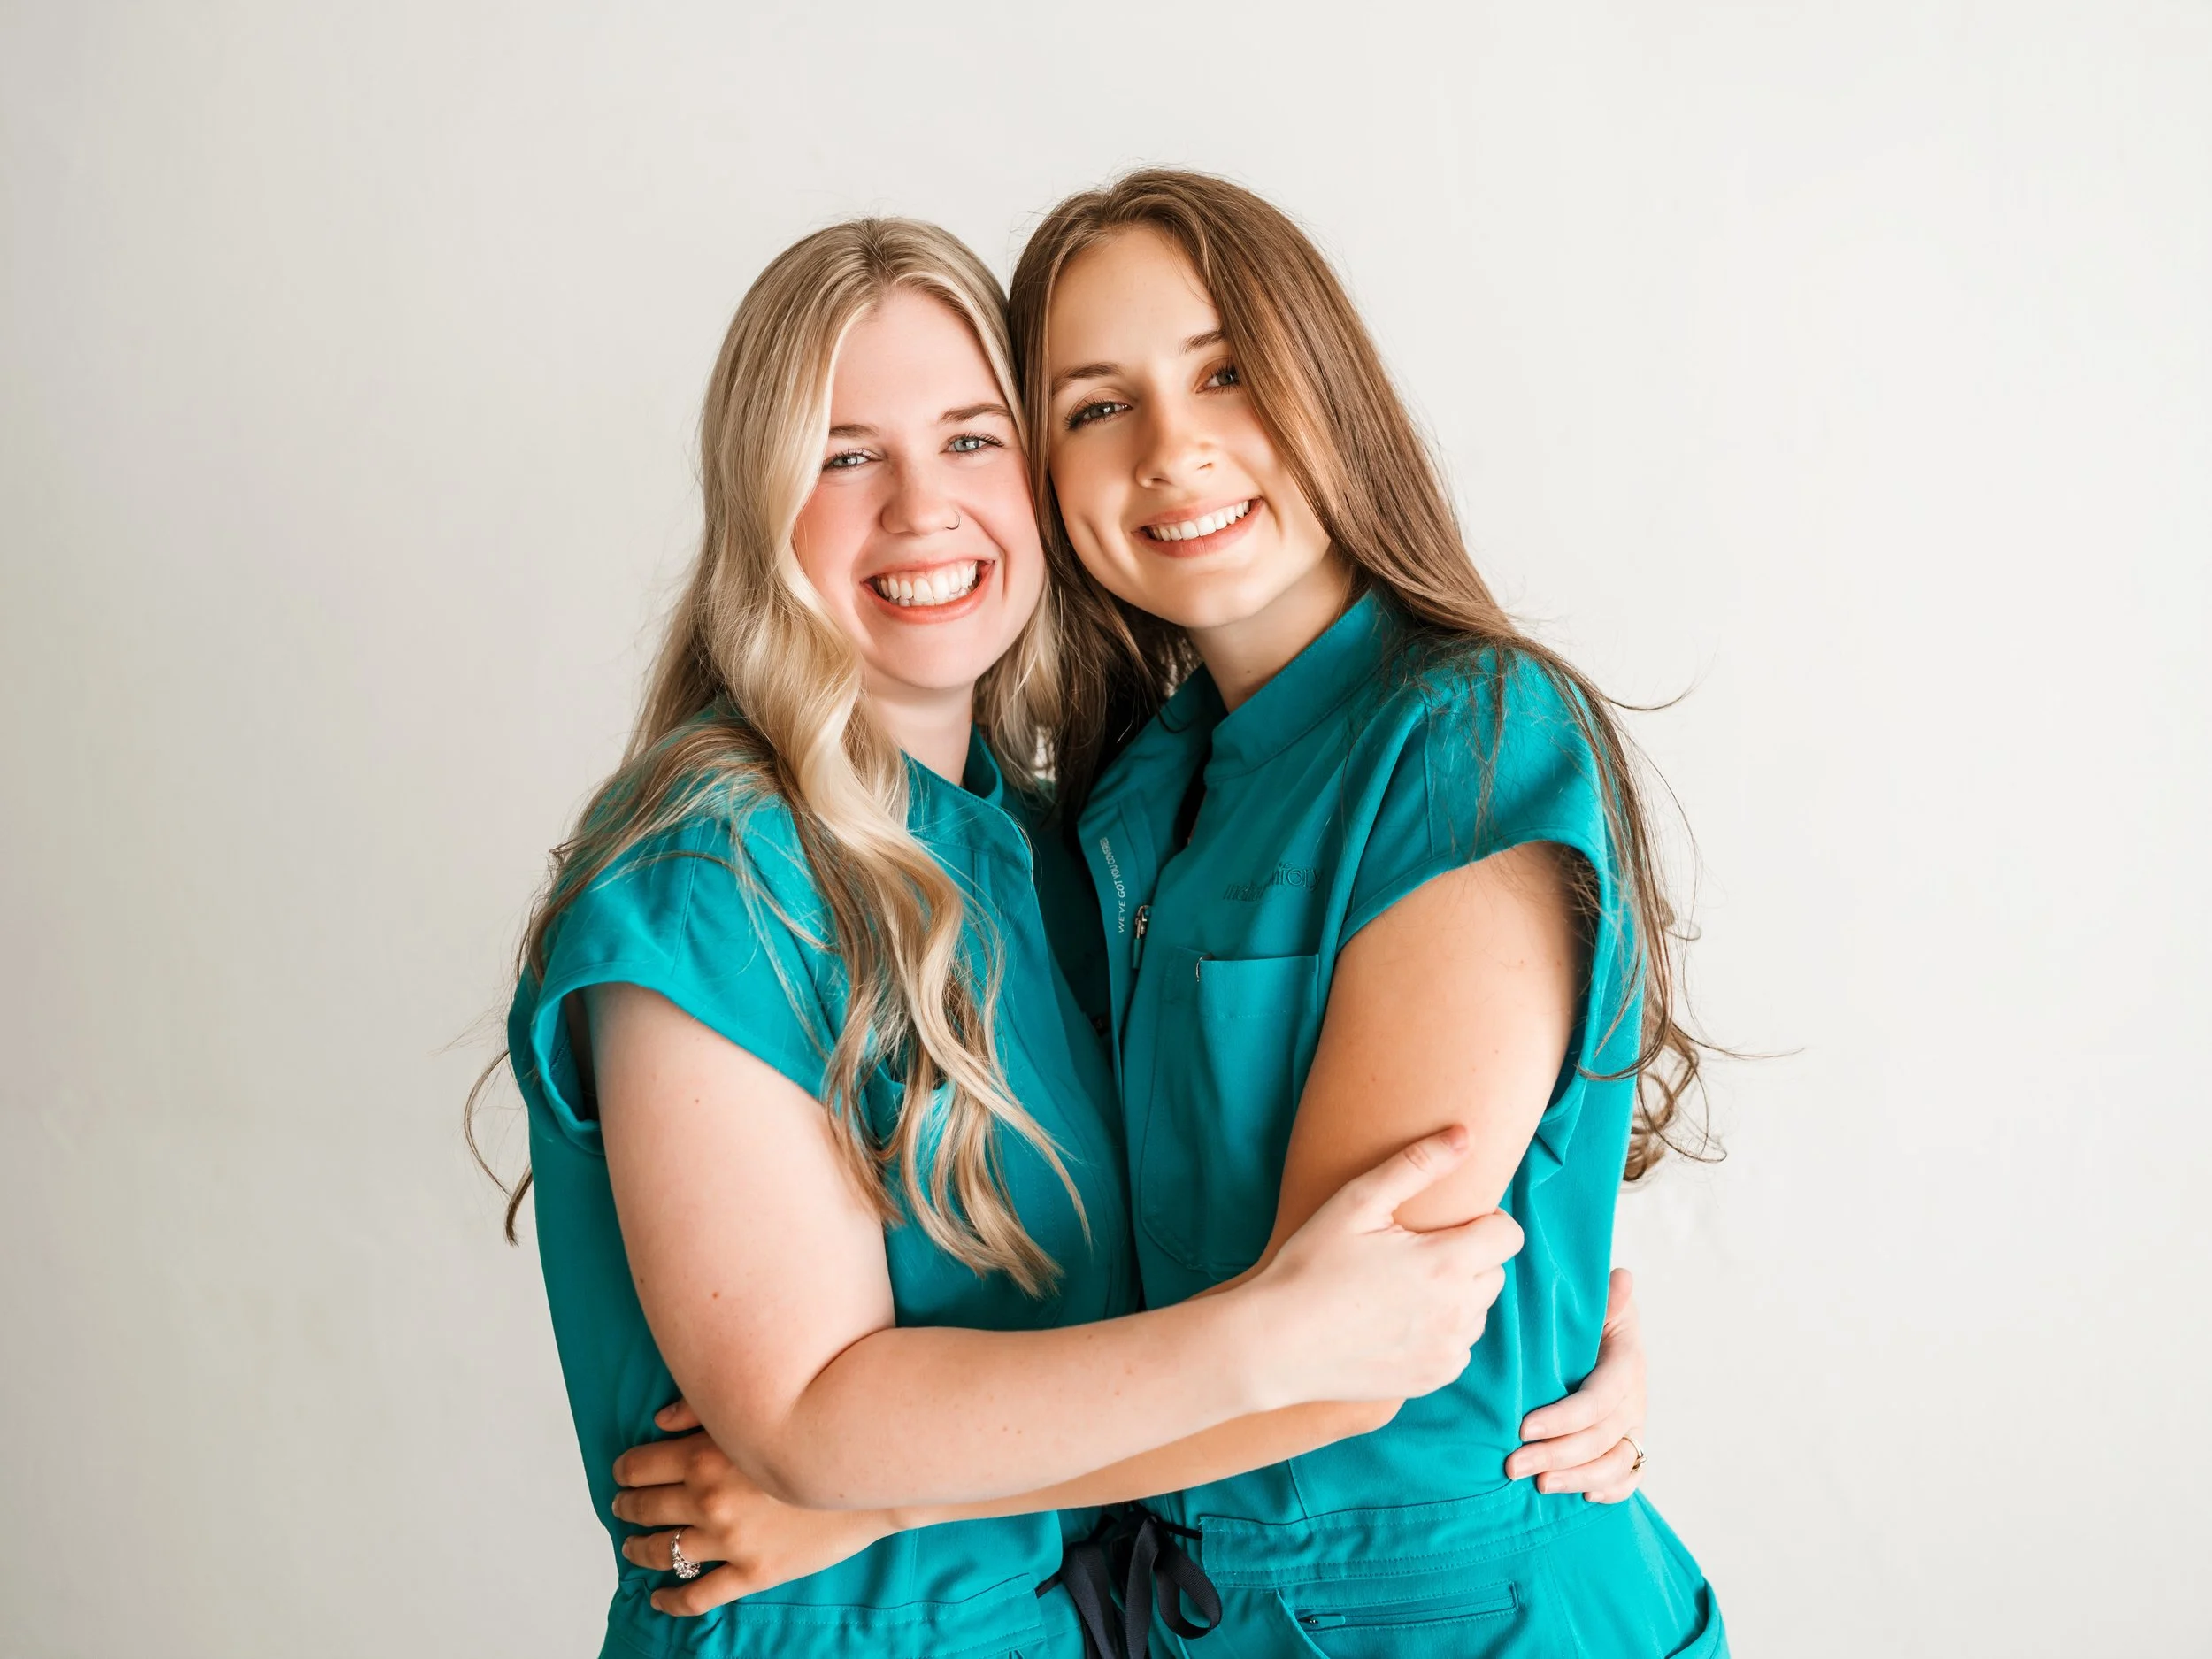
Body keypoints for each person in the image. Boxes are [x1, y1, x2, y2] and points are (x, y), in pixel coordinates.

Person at [488, 217, 1636, 1659]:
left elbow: (1352, 1323)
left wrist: (1586, 1312)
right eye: (845, 455)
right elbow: (819, 1408)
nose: (922, 506)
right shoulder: (722, 865)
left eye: (972, 438)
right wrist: (848, 1475)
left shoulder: (1076, 839)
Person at [1004, 169, 1726, 1655]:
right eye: (1096, 406)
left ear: (1326, 384)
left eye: (1226, 371)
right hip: (1195, 1606)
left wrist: (868, 1495)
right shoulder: (1122, 806)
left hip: (1463, 1613)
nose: (1173, 448)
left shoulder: (1468, 744)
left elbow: (1352, 1351)